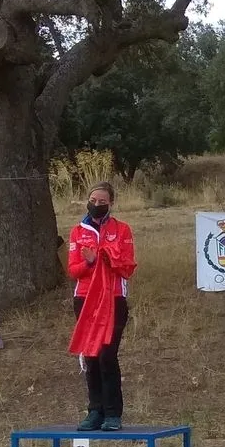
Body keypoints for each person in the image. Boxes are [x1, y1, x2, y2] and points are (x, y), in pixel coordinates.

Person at [66, 182, 136, 431]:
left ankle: (113, 414)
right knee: (91, 355)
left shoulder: (122, 230)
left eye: (102, 201)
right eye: (93, 200)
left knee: (107, 354)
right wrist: (89, 264)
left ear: (111, 203)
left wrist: (104, 257)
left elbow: (127, 267)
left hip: (113, 298)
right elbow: (73, 270)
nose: (96, 205)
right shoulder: (78, 232)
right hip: (85, 300)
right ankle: (94, 411)